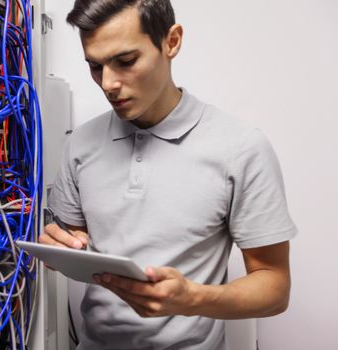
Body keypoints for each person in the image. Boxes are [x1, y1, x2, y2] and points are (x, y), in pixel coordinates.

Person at [39, 0, 297, 349]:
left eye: (126, 61)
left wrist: (191, 298)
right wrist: (59, 245)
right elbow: (72, 241)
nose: (109, 84)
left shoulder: (240, 147)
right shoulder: (80, 142)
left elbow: (275, 288)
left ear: (171, 41)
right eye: (95, 66)